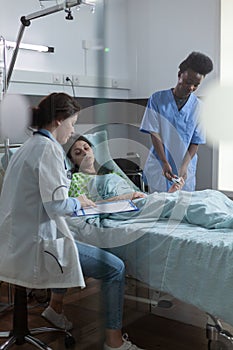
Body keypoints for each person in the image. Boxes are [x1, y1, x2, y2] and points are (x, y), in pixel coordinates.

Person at [0, 93, 144, 350]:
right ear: (58, 120)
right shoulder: (48, 150)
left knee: (71, 242)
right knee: (115, 269)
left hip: (15, 242)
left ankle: (54, 309)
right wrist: (80, 202)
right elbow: (57, 205)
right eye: (72, 123)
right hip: (35, 245)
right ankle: (114, 342)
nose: (73, 131)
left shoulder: (27, 147)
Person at [65, 134, 233, 231]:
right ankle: (224, 221)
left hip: (140, 201)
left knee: (209, 195)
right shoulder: (77, 180)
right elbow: (88, 207)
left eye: (87, 148)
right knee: (189, 205)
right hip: (125, 208)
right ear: (73, 160)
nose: (85, 153)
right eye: (78, 152)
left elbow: (147, 197)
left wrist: (170, 193)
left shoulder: (111, 172)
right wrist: (126, 197)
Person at [140, 51, 213, 193]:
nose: (191, 88)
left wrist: (184, 166)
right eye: (188, 82)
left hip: (185, 167)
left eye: (196, 85)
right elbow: (154, 134)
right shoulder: (157, 100)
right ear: (180, 75)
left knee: (182, 209)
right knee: (158, 209)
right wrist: (164, 162)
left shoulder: (199, 107)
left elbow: (195, 141)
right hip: (160, 164)